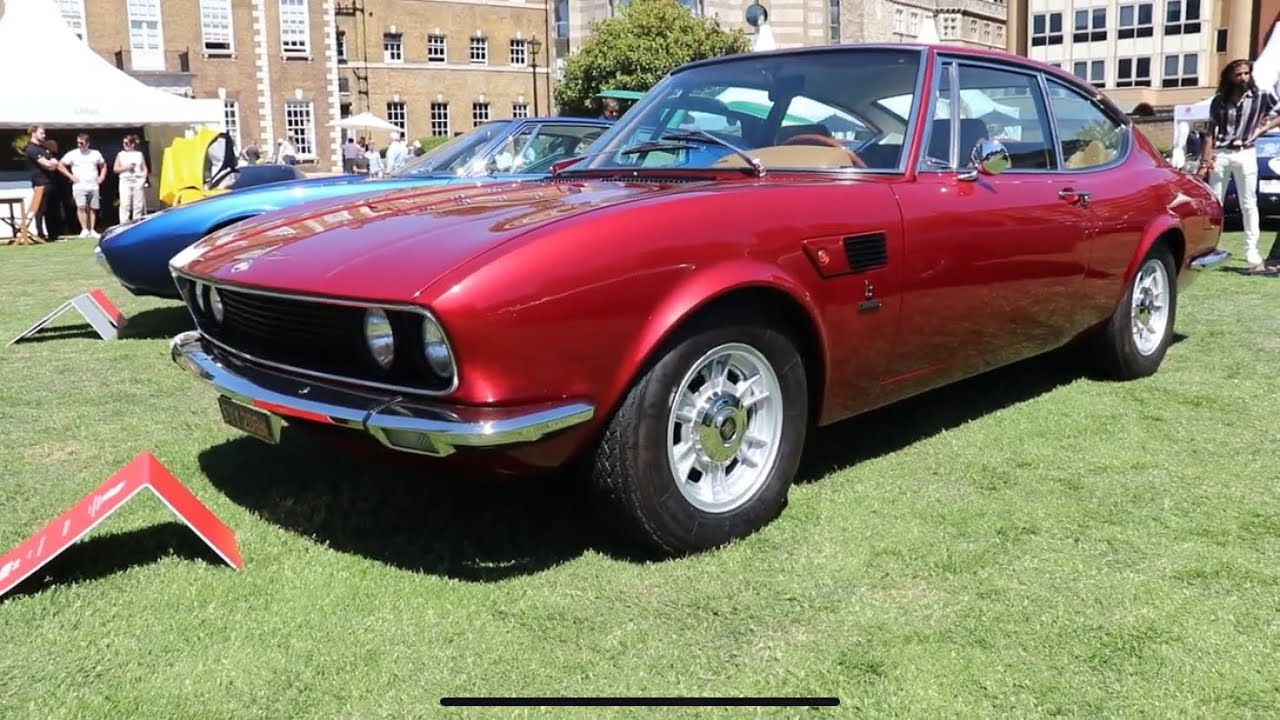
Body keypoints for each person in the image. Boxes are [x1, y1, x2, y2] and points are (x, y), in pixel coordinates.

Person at [1201, 59, 1278, 269]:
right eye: (1239, 74)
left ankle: (1251, 250)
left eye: (1246, 73)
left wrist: (1262, 130)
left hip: (1246, 152)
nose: (1243, 78)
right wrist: (1204, 162)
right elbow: (1210, 133)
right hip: (1222, 153)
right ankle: (1211, 246)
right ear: (1229, 77)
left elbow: (1278, 112)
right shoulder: (1220, 100)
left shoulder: (1261, 95)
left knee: (1249, 203)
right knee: (1216, 203)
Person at [18, 125, 61, 244]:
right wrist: (50, 163)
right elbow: (47, 165)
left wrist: (51, 163)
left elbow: (55, 162)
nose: (44, 135)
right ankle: (40, 234)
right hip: (40, 183)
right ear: (34, 133)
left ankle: (53, 235)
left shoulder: (43, 148)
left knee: (52, 209)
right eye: (42, 133)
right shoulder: (31, 149)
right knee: (41, 210)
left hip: (50, 182)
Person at [61, 132, 106, 238]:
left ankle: (92, 229)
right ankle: (84, 229)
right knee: (81, 206)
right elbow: (60, 165)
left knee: (93, 207)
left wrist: (102, 177)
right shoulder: (72, 154)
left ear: (88, 143)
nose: (79, 145)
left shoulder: (95, 154)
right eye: (78, 143)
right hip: (79, 185)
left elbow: (103, 165)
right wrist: (70, 176)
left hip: (93, 185)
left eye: (81, 143)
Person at [113, 134, 148, 223]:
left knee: (138, 204)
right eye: (124, 143)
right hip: (125, 180)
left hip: (137, 180)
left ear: (132, 144)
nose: (124, 145)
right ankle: (124, 224)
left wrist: (143, 179)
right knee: (125, 203)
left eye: (127, 143)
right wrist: (126, 168)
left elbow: (144, 168)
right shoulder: (120, 154)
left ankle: (137, 223)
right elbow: (115, 169)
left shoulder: (139, 154)